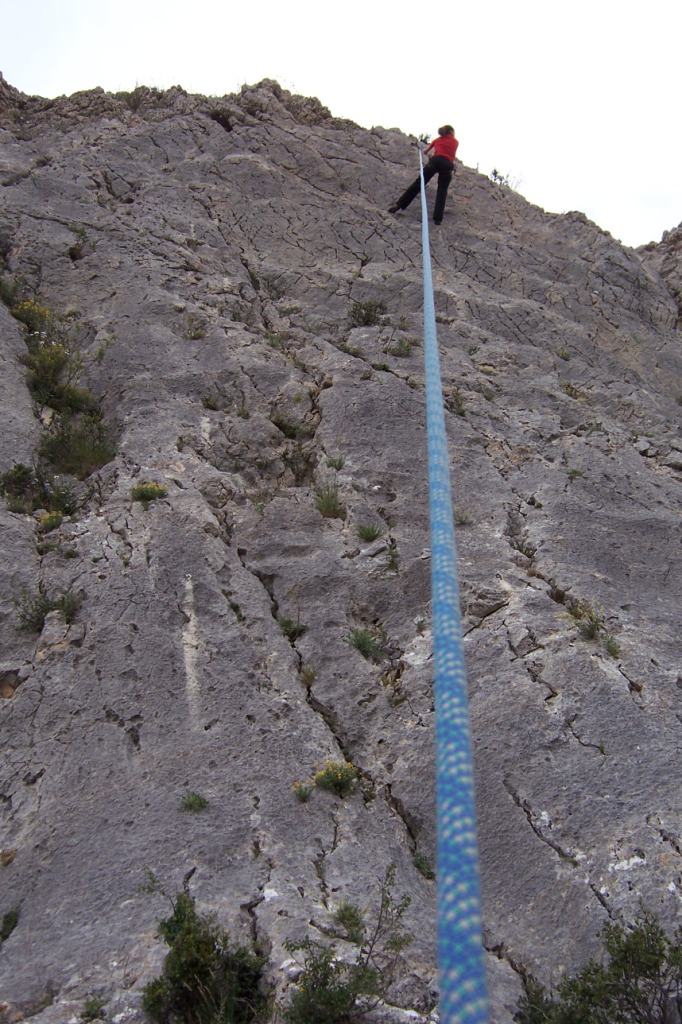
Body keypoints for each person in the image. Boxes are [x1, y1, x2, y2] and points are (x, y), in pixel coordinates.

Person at [389, 125, 459, 225]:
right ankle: (437, 219)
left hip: (435, 161)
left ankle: (399, 205)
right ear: (451, 132)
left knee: (419, 182)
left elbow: (426, 151)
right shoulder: (455, 142)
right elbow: (448, 154)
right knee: (442, 191)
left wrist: (432, 155)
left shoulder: (437, 140)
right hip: (447, 165)